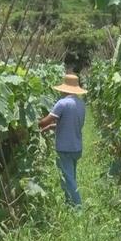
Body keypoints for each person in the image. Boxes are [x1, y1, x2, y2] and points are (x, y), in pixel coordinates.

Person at [39, 74, 87, 206]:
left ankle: (78, 208)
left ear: (65, 89)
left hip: (64, 147)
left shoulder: (62, 103)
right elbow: (69, 124)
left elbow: (44, 122)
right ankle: (69, 203)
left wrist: (37, 123)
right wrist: (50, 127)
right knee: (70, 177)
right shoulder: (81, 104)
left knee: (68, 179)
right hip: (76, 147)